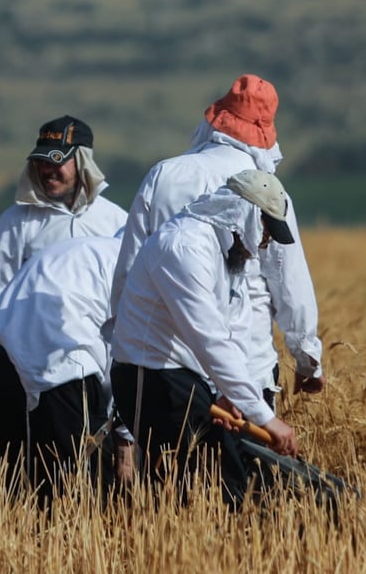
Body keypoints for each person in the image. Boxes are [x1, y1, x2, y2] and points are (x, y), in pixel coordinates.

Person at [110, 75, 324, 405]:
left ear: (216, 122)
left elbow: (129, 270)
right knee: (244, 458)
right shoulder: (269, 191)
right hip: (247, 367)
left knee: (170, 457)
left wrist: (125, 346)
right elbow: (288, 280)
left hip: (167, 367)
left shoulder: (164, 175)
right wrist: (307, 357)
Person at [109, 169, 299, 510]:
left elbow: (232, 329)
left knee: (226, 480)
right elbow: (208, 336)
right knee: (205, 485)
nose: (266, 241)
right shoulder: (184, 246)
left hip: (183, 377)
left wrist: (229, 394)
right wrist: (265, 418)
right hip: (149, 377)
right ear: (245, 217)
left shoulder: (226, 253)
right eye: (267, 230)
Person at [0, 234, 134, 498]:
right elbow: (128, 355)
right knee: (82, 495)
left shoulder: (75, 249)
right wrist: (124, 440)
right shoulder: (138, 266)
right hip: (62, 365)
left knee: (9, 486)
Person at [0, 115, 127, 314]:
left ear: (82, 161)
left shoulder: (117, 221)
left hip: (99, 342)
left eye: (56, 160)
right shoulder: (17, 221)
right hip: (34, 342)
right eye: (42, 162)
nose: (47, 170)